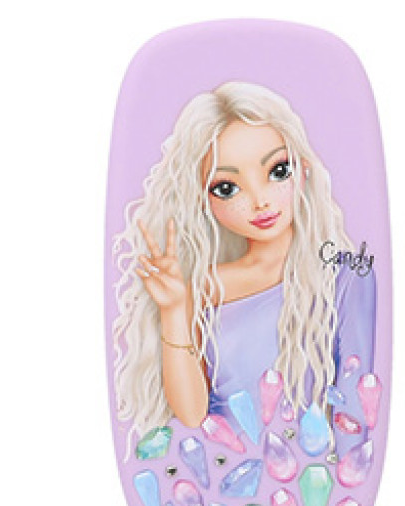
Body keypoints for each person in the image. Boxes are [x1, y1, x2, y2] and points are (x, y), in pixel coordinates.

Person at [112, 80, 376, 449]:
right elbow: (192, 414)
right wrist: (173, 310)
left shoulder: (344, 277)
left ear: (303, 171)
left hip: (311, 471)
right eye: (227, 188)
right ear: (202, 200)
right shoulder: (205, 287)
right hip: (225, 466)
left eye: (278, 171)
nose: (259, 201)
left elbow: (358, 406)